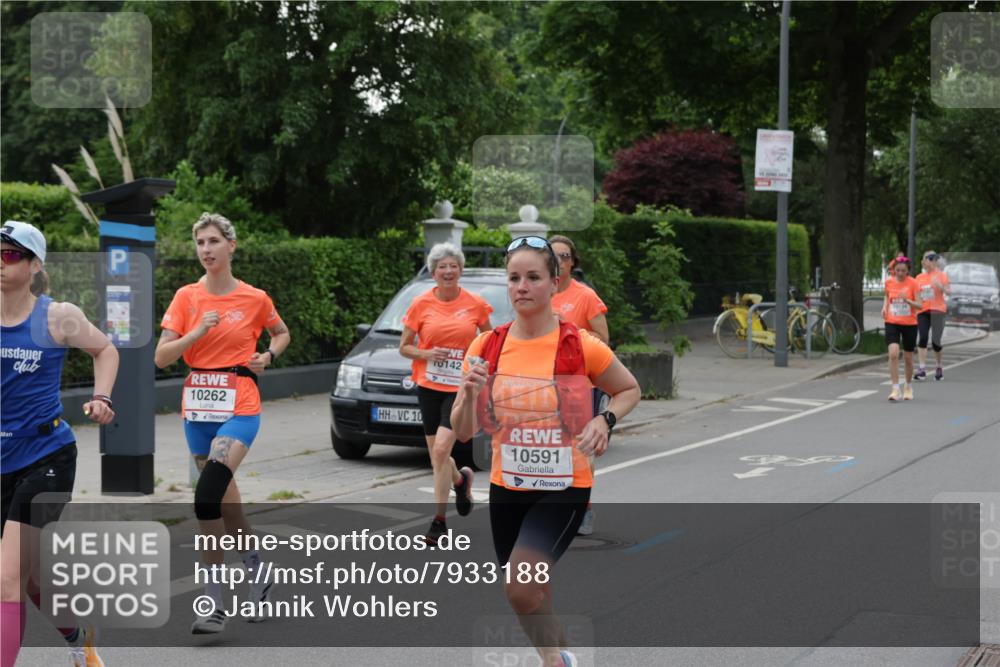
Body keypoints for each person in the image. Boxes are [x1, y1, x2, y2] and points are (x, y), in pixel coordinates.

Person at [451, 236, 640, 667]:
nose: (522, 286)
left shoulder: (580, 345)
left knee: (519, 587)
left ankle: (554, 662)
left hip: (564, 488)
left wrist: (603, 419)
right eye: (514, 278)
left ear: (555, 283)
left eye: (533, 277)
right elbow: (464, 431)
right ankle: (559, 658)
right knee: (534, 591)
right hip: (507, 487)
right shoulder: (486, 348)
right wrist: (466, 394)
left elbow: (629, 389)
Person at [155, 213, 290, 634]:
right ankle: (259, 572)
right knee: (226, 507)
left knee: (206, 497)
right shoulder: (186, 297)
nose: (206, 250)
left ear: (232, 245)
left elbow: (281, 333)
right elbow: (161, 357)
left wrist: (268, 356)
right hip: (197, 410)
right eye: (200, 243)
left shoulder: (255, 298)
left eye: (214, 241)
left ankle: (213, 603)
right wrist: (196, 332)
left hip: (240, 405)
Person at [1, 221, 119, 667]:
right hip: (2, 460)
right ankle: (78, 636)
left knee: (7, 579)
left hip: (47, 457)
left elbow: (106, 349)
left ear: (34, 265)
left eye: (9, 253)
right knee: (30, 582)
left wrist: (101, 396)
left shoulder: (57, 316)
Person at [400, 242, 493, 545]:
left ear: (461, 270)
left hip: (460, 388)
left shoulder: (475, 303)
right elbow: (405, 347)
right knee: (437, 456)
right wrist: (427, 354)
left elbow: (489, 341)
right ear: (433, 272)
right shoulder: (420, 304)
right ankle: (459, 480)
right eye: (443, 267)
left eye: (454, 266)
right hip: (428, 386)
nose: (449, 271)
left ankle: (438, 522)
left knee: (441, 450)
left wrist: (477, 367)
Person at [548, 235, 609, 537]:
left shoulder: (584, 295)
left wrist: (569, 328)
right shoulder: (538, 292)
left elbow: (603, 338)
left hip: (579, 385)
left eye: (564, 255)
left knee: (580, 449)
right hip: (543, 383)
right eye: (553, 255)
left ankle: (584, 508)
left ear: (572, 261)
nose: (559, 260)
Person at [881, 256, 922, 401]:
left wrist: (908, 301)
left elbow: (920, 305)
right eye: (897, 270)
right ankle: (895, 388)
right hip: (892, 321)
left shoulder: (914, 283)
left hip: (910, 323)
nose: (900, 273)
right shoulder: (889, 282)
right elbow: (887, 296)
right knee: (893, 353)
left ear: (908, 271)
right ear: (894, 270)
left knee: (908, 358)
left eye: (903, 271)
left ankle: (908, 386)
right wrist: (884, 307)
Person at [914, 251, 950, 381]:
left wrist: (940, 286)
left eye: (934, 258)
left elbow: (949, 292)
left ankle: (939, 366)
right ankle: (922, 369)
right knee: (922, 337)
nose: (932, 260)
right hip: (923, 311)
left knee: (936, 342)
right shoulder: (918, 278)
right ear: (923, 261)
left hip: (938, 311)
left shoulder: (942, 275)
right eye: (929, 258)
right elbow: (915, 295)